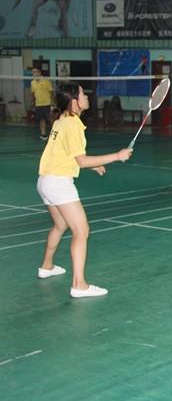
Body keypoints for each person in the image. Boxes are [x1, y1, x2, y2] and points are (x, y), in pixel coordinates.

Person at [36, 83, 132, 298]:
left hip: (45, 181)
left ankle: (47, 266)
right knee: (81, 231)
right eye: (81, 93)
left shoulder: (62, 120)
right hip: (59, 183)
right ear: (74, 102)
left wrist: (93, 165)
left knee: (60, 225)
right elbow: (81, 160)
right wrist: (117, 156)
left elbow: (66, 155)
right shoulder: (72, 124)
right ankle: (79, 285)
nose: (86, 96)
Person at [30, 67, 54, 140]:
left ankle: (55, 133)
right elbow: (33, 94)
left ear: (40, 72)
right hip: (38, 104)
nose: (34, 74)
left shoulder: (46, 81)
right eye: (33, 72)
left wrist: (53, 103)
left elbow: (51, 92)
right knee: (41, 119)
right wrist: (33, 104)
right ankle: (43, 134)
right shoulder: (32, 82)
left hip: (47, 103)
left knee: (50, 119)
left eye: (36, 72)